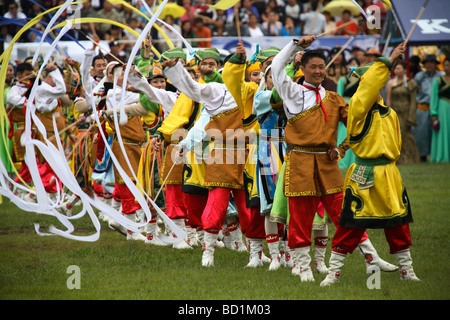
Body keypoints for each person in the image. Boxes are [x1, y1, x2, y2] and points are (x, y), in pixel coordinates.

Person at [271, 36, 397, 282]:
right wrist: (296, 46)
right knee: (299, 217)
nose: (318, 71)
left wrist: (341, 149)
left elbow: (356, 125)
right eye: (313, 67)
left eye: (322, 67)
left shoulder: (334, 97)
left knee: (345, 213)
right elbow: (276, 67)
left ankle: (371, 257)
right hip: (300, 163)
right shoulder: (292, 92)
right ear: (303, 69)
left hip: (328, 165)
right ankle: (304, 268)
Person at [321, 43, 419, 286]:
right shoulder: (357, 109)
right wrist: (391, 59)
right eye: (371, 81)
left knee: (398, 223)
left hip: (389, 174)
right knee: (351, 224)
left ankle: (407, 270)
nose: (375, 86)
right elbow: (368, 88)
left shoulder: (390, 113)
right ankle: (333, 272)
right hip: (364, 172)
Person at [160, 48, 252, 267]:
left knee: (249, 206)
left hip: (249, 154)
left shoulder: (252, 90)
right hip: (221, 154)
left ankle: (257, 254)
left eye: (214, 64)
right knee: (216, 202)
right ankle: (207, 252)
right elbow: (195, 98)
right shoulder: (215, 90)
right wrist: (174, 69)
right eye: (206, 64)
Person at [386, 60, 420, 164]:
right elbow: (388, 99)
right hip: (395, 111)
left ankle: (410, 158)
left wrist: (411, 115)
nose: (397, 71)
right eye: (395, 68)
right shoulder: (391, 83)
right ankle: (398, 158)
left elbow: (413, 100)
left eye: (399, 68)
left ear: (405, 70)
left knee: (406, 134)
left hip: (407, 111)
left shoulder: (410, 83)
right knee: (396, 134)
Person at [413, 54, 444, 162]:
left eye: (432, 62)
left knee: (436, 132)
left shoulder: (441, 75)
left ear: (435, 64)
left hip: (438, 108)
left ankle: (436, 155)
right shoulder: (419, 76)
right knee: (421, 133)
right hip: (423, 107)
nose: (429, 65)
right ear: (424, 64)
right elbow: (414, 92)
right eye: (427, 63)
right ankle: (422, 156)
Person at [430, 57, 450, 163]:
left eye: (448, 65)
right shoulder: (438, 80)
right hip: (443, 108)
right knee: (443, 132)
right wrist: (434, 114)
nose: (447, 68)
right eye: (445, 65)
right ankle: (442, 156)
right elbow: (434, 97)